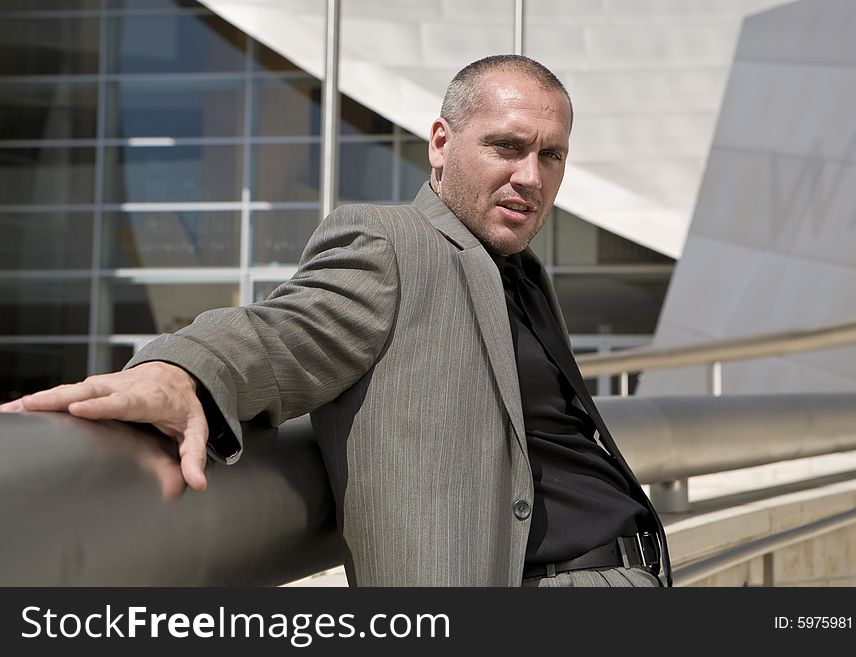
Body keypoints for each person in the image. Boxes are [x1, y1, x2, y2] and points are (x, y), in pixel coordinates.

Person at [1, 55, 671, 588]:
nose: (531, 175)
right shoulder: (393, 242)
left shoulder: (520, 271)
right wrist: (185, 371)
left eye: (551, 154)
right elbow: (288, 330)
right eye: (507, 146)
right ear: (440, 144)